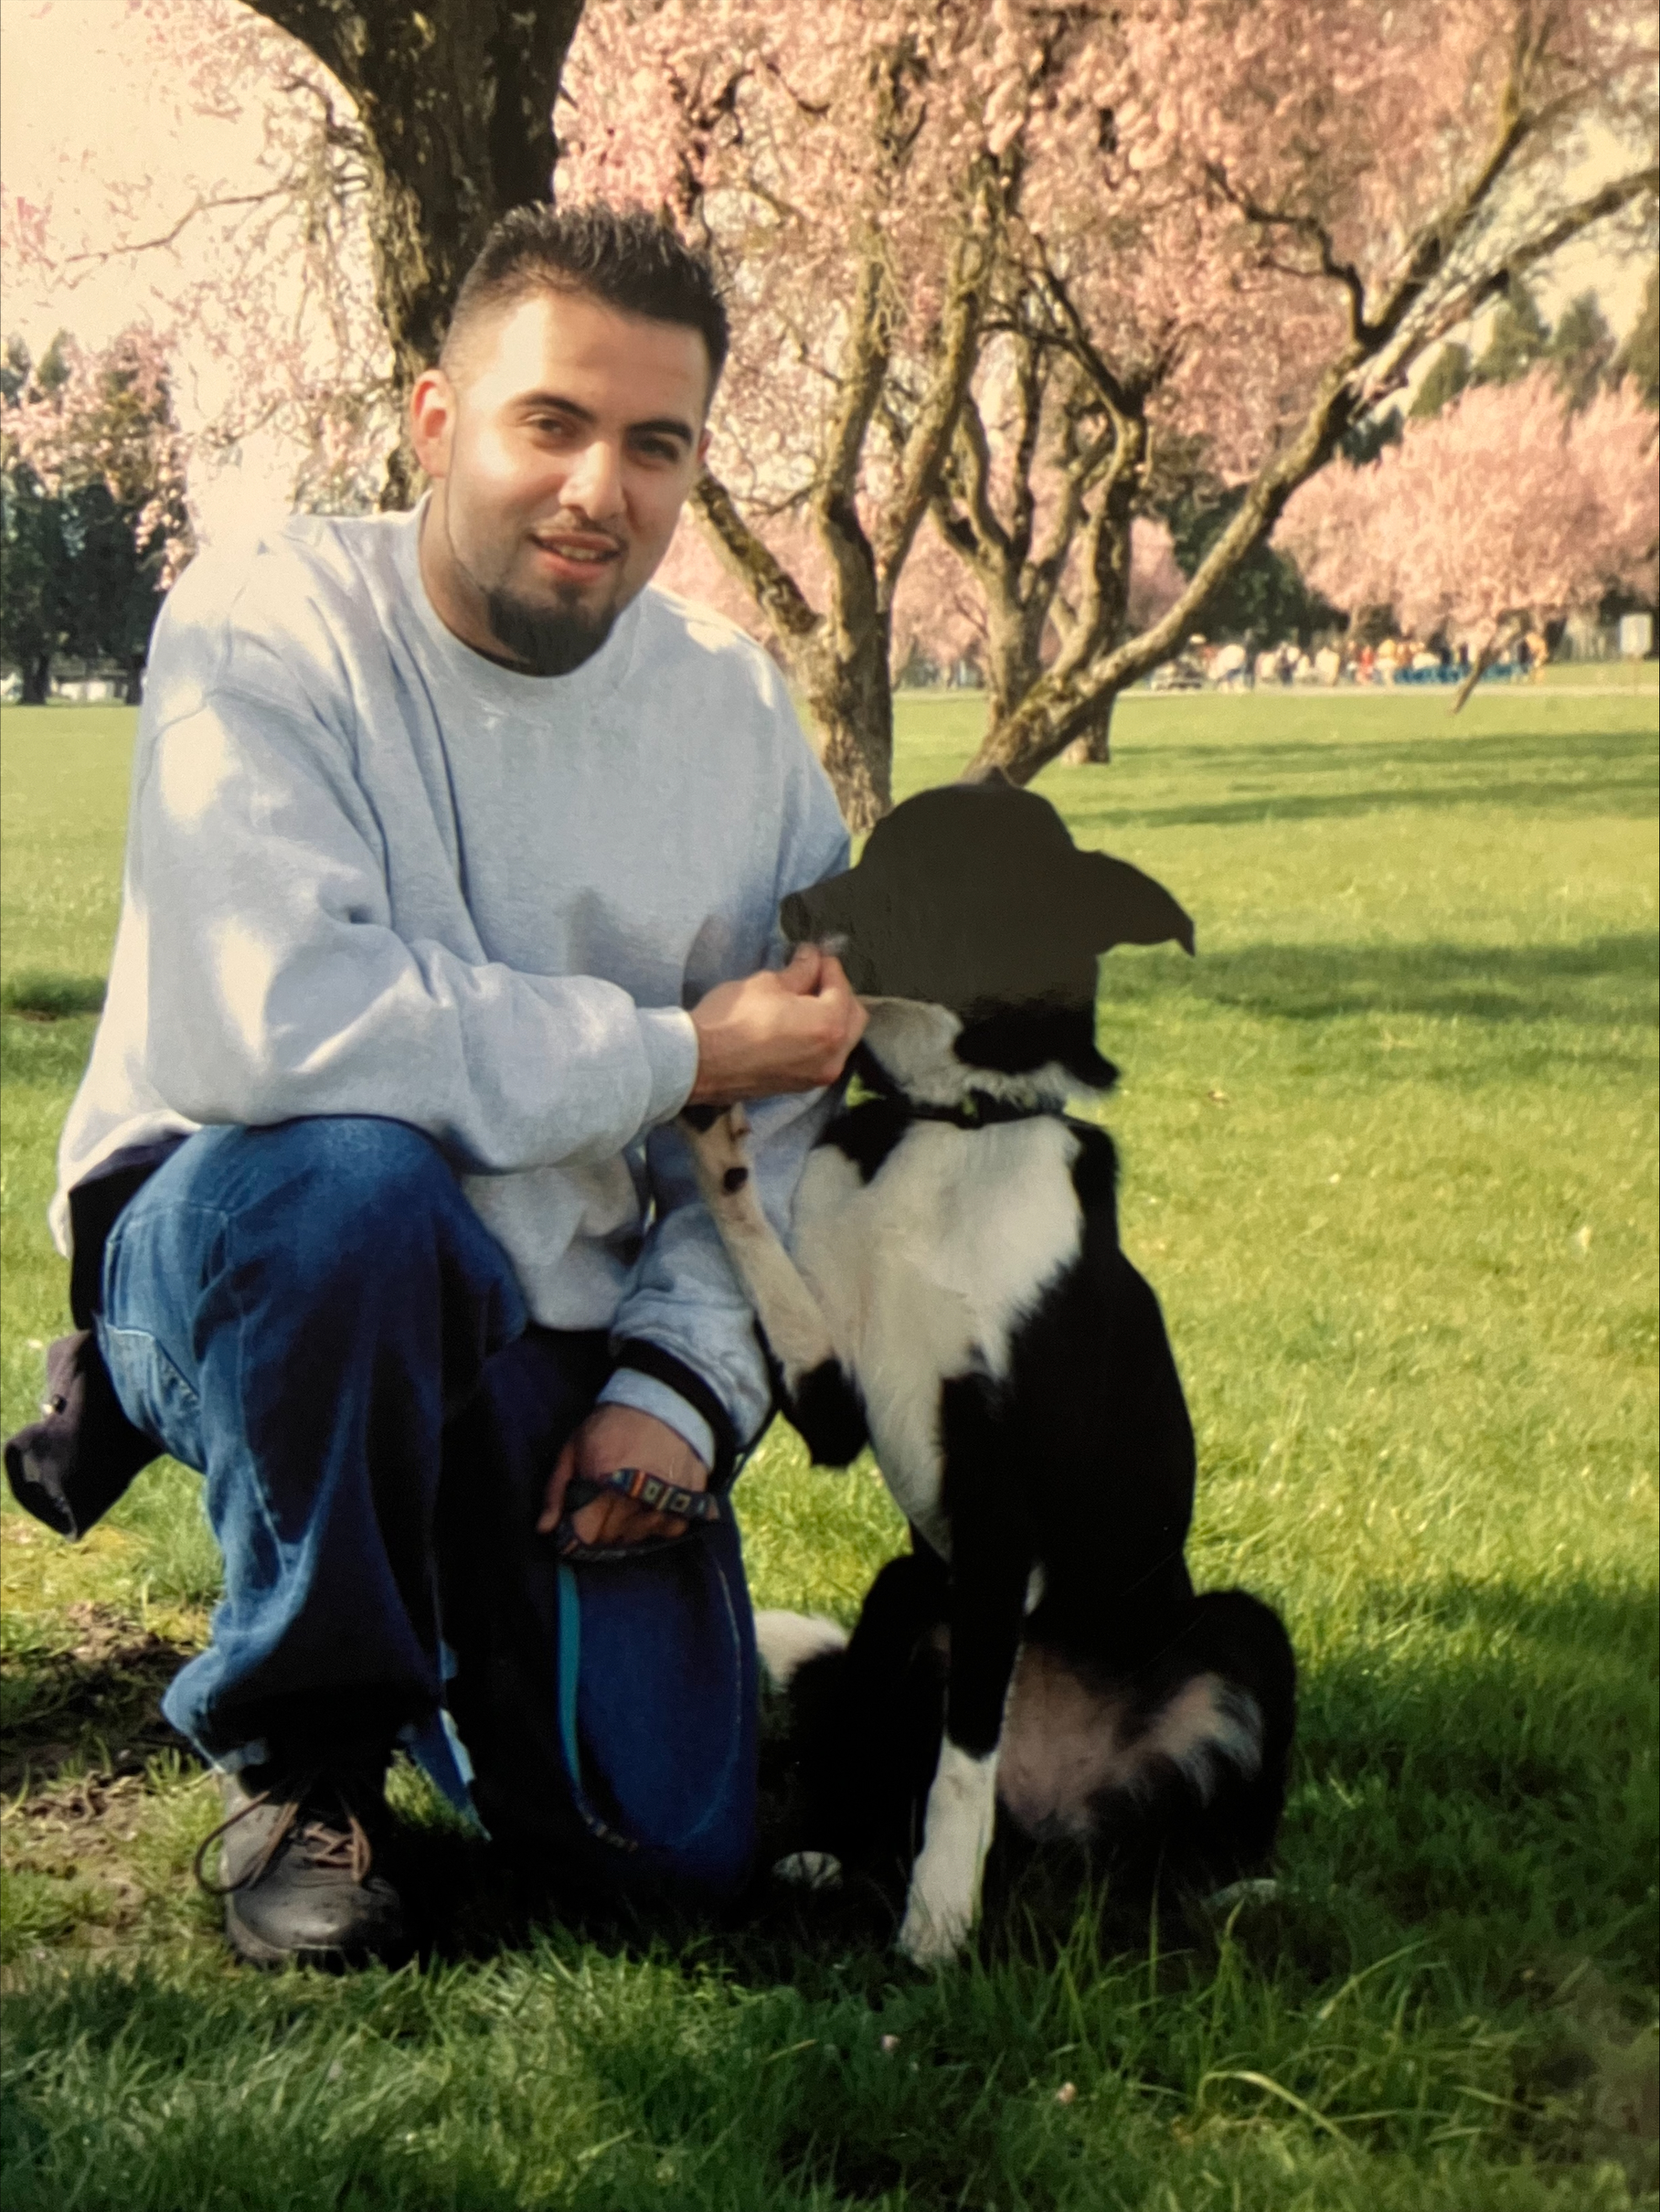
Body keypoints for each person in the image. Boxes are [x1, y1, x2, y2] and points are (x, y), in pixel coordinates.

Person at [46, 204, 866, 1967]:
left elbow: (795, 1100)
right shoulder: (268, 625)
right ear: (435, 420)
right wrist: (675, 1050)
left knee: (665, 1862)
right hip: (250, 1240)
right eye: (549, 424)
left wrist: (679, 1386)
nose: (600, 491)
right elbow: (276, 1023)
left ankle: (447, 1580)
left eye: (657, 445)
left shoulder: (734, 718)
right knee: (351, 1188)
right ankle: (309, 1753)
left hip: (558, 1313)